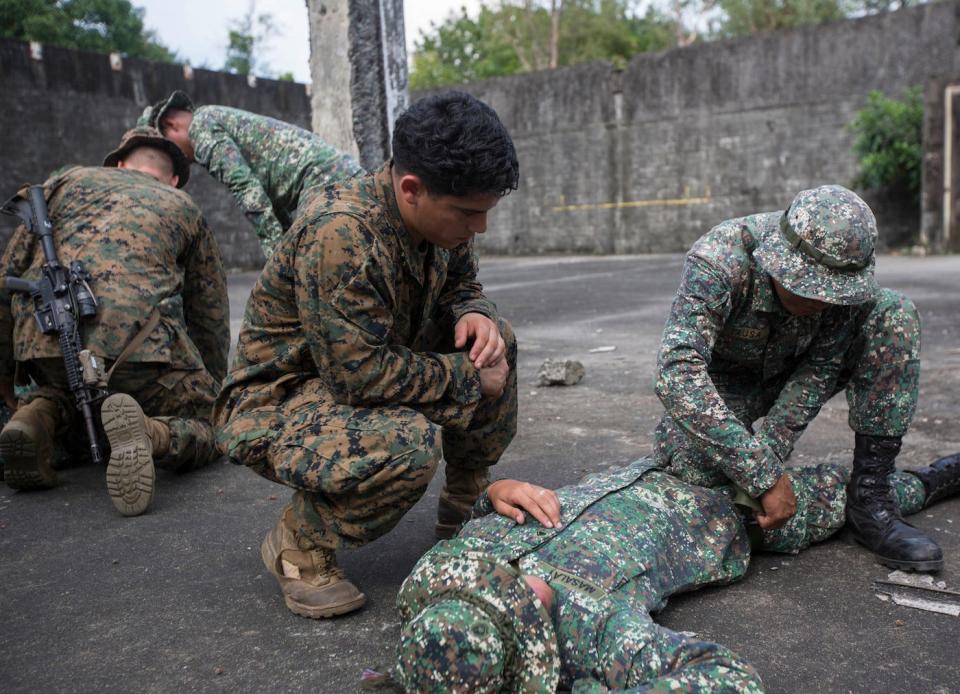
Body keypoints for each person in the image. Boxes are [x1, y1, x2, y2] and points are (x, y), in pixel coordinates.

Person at [213, 91, 521, 619]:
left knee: (496, 342)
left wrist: (476, 313)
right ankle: (299, 543)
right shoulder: (342, 233)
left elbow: (463, 283)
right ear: (411, 189)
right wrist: (467, 379)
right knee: (407, 446)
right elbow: (360, 376)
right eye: (470, 213)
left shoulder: (439, 218)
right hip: (282, 399)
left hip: (354, 372)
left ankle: (465, 498)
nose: (480, 228)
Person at [391, 451, 960, 692]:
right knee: (858, 495)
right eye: (528, 615)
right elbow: (727, 678)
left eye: (507, 592)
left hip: (662, 463)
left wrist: (496, 490)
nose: (532, 591)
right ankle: (941, 478)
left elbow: (479, 515)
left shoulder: (446, 570)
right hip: (731, 514)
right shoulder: (594, 630)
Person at [653, 185, 941, 571]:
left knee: (893, 313)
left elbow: (818, 370)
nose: (820, 301)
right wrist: (764, 475)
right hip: (727, 384)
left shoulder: (842, 286)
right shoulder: (721, 259)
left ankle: (871, 495)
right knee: (692, 471)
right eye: (809, 286)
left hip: (794, 366)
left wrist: (765, 468)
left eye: (832, 292)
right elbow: (678, 372)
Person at [0, 126, 229, 516]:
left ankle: (39, 414)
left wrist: (7, 380)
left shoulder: (61, 183)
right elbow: (208, 312)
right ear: (174, 179)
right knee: (221, 424)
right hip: (139, 358)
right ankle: (149, 434)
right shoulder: (182, 204)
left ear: (120, 162)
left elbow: (6, 278)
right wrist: (213, 386)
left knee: (66, 391)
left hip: (45, 343)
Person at [138, 90, 363, 257]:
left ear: (171, 124)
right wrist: (285, 249)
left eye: (169, 150)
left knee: (316, 271)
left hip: (322, 179)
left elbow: (246, 189)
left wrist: (278, 258)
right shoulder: (214, 118)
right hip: (334, 176)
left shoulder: (201, 127)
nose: (180, 161)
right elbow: (269, 201)